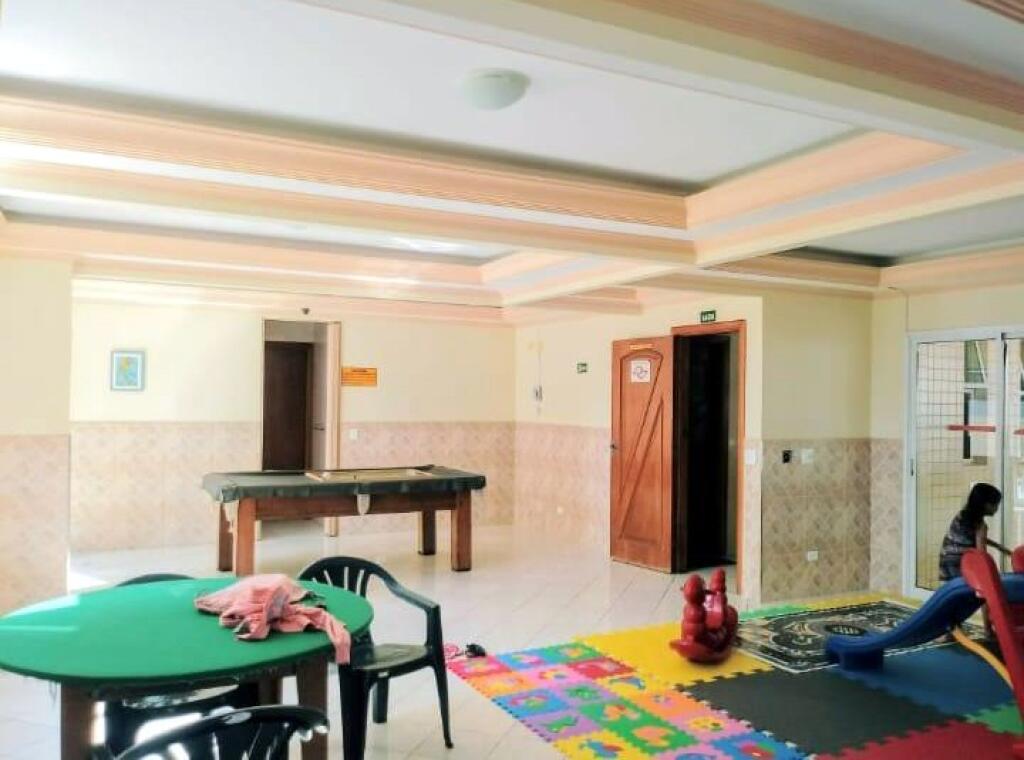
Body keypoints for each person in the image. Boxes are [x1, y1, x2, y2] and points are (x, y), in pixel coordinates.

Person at [938, 482, 1005, 583]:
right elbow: (981, 554)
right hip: (960, 565)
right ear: (986, 505)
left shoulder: (961, 516)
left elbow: (970, 537)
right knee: (967, 590)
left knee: (950, 590)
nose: (997, 508)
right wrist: (990, 575)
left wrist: (997, 546)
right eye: (995, 504)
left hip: (946, 561)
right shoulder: (980, 525)